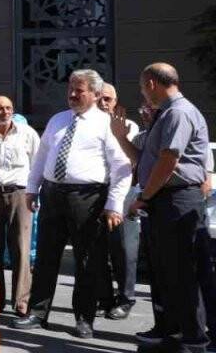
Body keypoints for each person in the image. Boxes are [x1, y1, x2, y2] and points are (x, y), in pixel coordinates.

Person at [15, 69, 131, 339]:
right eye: (71, 88)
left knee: (88, 260)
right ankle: (38, 312)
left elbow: (122, 167)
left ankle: (84, 319)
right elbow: (42, 157)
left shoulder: (106, 123)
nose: (72, 94)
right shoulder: (57, 120)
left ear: (95, 93)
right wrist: (32, 189)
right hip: (53, 195)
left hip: (88, 198)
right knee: (46, 256)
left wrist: (114, 205)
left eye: (79, 90)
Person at [126, 63, 210, 352]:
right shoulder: (165, 115)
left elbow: (168, 161)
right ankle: (173, 330)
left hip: (175, 199)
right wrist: (118, 135)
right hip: (164, 199)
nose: (143, 94)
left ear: (151, 83)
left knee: (182, 272)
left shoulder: (178, 113)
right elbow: (145, 159)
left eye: (141, 87)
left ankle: (194, 339)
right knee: (166, 271)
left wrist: (145, 197)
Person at [0, 95, 39, 317]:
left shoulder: (27, 134)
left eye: (8, 108)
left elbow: (37, 163)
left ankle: (22, 302)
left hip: (20, 194)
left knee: (21, 249)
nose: (4, 112)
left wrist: (35, 193)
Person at [97, 83, 142, 320]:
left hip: (123, 192)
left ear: (115, 102)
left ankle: (126, 299)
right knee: (97, 248)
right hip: (95, 191)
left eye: (108, 99)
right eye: (99, 98)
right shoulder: (88, 124)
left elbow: (132, 160)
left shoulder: (129, 126)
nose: (103, 103)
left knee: (124, 248)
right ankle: (105, 297)